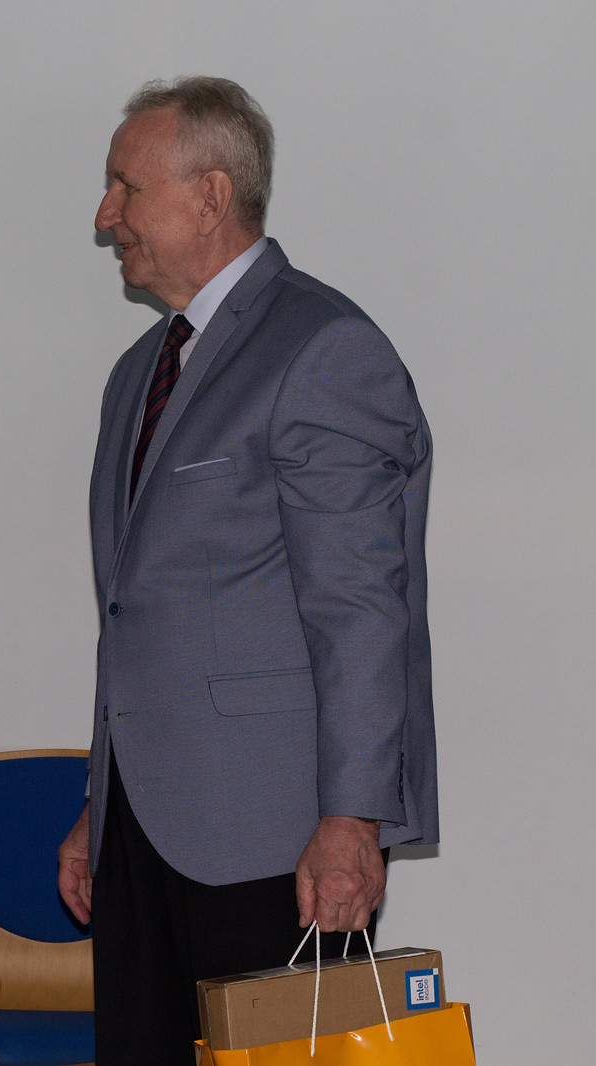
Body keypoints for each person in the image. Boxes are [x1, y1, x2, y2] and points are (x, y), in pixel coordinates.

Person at [55, 78, 438, 1065]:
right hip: (142, 833)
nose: (105, 214)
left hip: (276, 841)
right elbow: (133, 612)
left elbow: (361, 611)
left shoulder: (323, 348)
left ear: (211, 195)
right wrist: (101, 805)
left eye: (126, 187)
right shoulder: (138, 371)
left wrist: (351, 819)